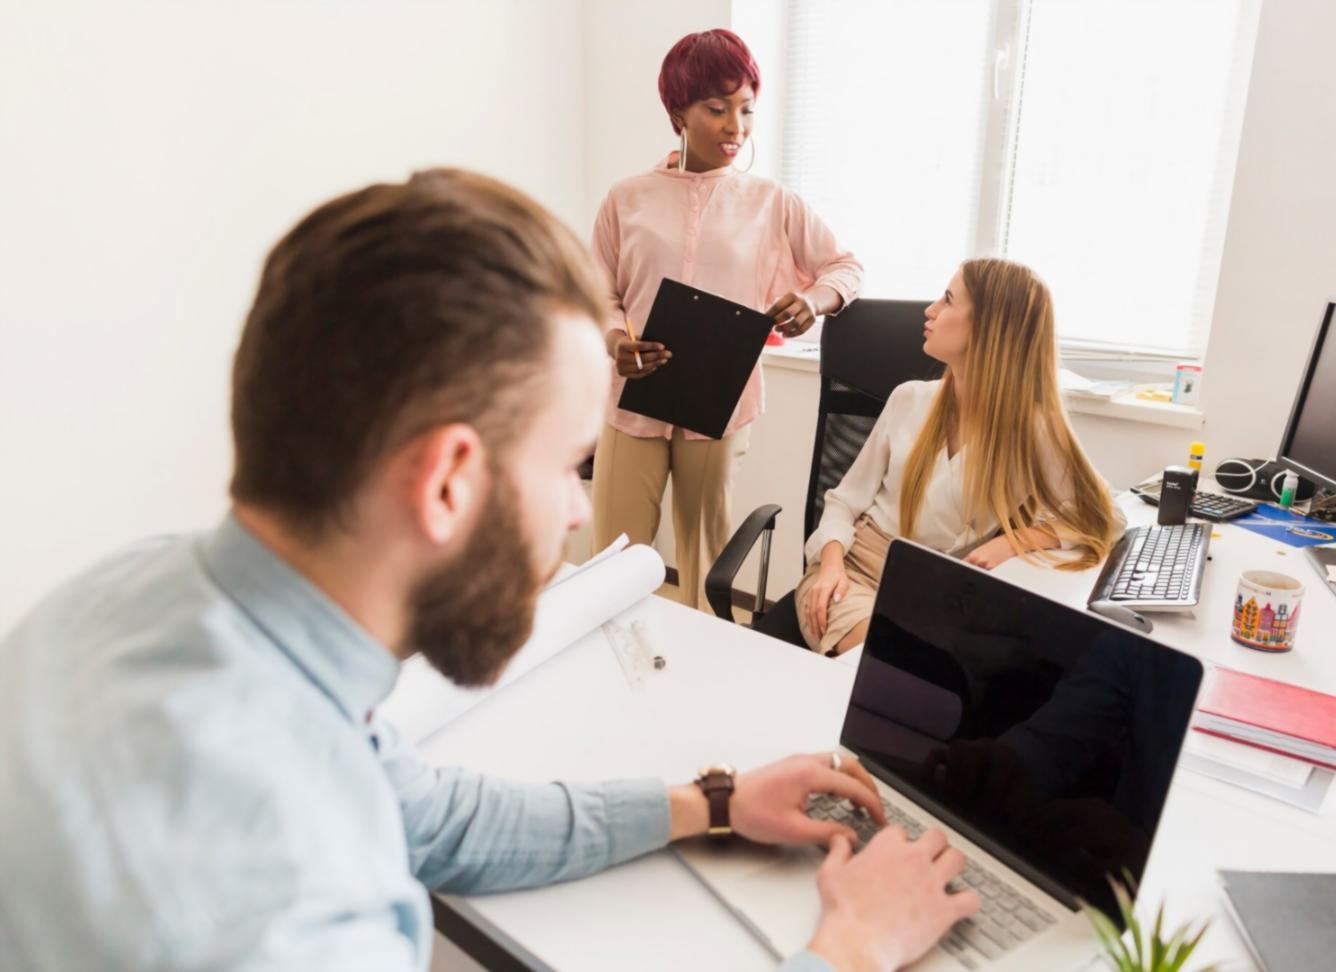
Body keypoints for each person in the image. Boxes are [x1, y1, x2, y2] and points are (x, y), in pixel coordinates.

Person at [0, 170, 977, 972]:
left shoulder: (144, 593)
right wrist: (850, 951)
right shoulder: (294, 904)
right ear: (448, 482)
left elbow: (427, 813)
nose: (581, 509)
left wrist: (711, 803)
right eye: (566, 464)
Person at [590, 28, 863, 612]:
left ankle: (703, 680)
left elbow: (845, 267)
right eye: (716, 109)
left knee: (707, 562)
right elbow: (597, 292)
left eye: (746, 109)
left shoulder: (773, 202)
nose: (735, 126)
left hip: (720, 402)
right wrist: (615, 339)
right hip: (631, 398)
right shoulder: (626, 198)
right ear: (677, 113)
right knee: (611, 559)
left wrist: (813, 301)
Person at [796, 258, 1123, 654]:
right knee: (888, 663)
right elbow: (844, 502)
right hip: (856, 570)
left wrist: (1017, 541)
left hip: (944, 592)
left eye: (948, 300)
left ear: (989, 326)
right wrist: (830, 565)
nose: (930, 310)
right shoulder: (909, 398)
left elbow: (1106, 517)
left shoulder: (1034, 430)